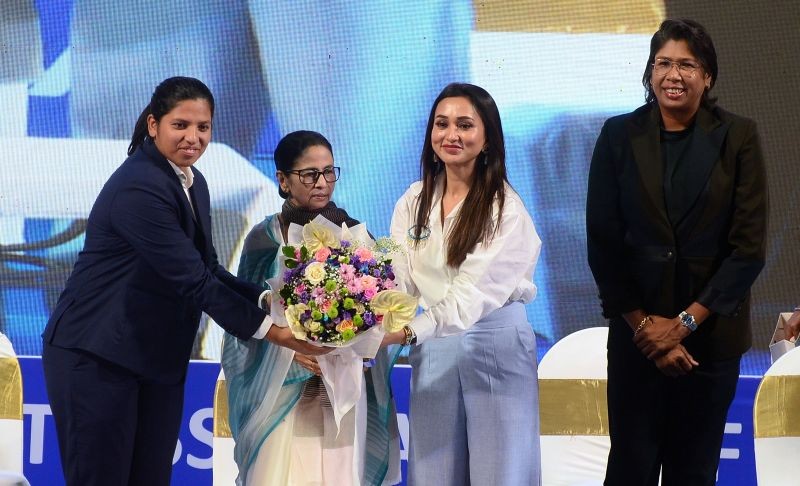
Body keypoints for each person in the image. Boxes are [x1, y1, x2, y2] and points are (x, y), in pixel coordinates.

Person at [41, 77, 328, 486]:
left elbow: (208, 267)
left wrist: (272, 301)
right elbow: (192, 281)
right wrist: (277, 333)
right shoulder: (140, 186)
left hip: (152, 357)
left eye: (203, 127)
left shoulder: (193, 182)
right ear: (153, 124)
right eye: (181, 125)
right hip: (97, 356)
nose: (193, 137)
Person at [586, 19, 768, 486]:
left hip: (710, 343)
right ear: (650, 72)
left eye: (687, 64)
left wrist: (683, 324)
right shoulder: (618, 136)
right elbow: (604, 245)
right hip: (638, 341)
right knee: (630, 468)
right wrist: (645, 328)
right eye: (663, 63)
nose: (673, 74)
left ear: (707, 76)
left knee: (694, 472)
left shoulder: (738, 137)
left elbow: (747, 250)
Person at [221, 130, 401, 485]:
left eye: (329, 171)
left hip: (343, 385)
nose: (322, 182)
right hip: (282, 389)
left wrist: (352, 346)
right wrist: (290, 350)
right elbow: (247, 317)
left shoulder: (356, 236)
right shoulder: (265, 238)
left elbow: (380, 312)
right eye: (309, 174)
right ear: (283, 180)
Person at [384, 83, 542, 485]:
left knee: (500, 473)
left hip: (494, 343)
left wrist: (405, 332)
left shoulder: (505, 209)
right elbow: (398, 278)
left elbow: (470, 296)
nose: (451, 134)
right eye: (442, 124)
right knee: (432, 471)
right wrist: (365, 318)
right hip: (433, 344)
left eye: (465, 125)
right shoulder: (413, 200)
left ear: (487, 138)